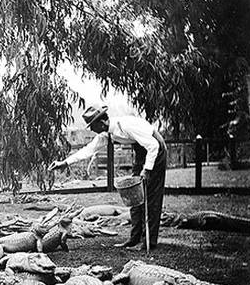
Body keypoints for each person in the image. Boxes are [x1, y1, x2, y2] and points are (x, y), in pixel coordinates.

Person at [49, 104, 167, 250]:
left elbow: (153, 146)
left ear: (102, 122)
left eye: (92, 126)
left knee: (151, 198)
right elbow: (88, 150)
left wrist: (147, 169)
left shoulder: (125, 125)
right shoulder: (107, 134)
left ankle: (149, 242)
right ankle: (134, 238)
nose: (91, 130)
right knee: (134, 196)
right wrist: (65, 163)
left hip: (155, 150)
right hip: (142, 152)